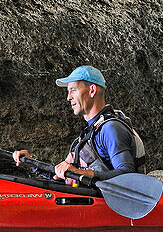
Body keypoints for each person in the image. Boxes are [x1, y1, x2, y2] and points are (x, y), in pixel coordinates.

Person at [13, 65, 145, 182]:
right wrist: (32, 163)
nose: (68, 97)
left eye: (73, 90)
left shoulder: (110, 128)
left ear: (92, 90)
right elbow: (62, 176)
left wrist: (81, 173)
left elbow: (127, 174)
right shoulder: (91, 131)